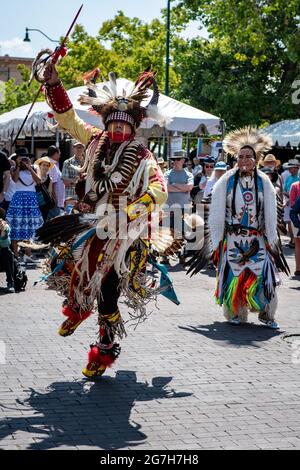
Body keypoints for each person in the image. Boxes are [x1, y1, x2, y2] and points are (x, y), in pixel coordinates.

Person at [36, 63, 178, 378]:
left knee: (108, 285)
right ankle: (77, 307)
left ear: (133, 128)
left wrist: (128, 212)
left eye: (123, 126)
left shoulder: (142, 156)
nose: (116, 131)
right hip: (91, 220)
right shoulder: (95, 141)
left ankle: (105, 346)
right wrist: (55, 84)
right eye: (113, 124)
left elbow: (160, 190)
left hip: (126, 229)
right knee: (70, 259)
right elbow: (67, 118)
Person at [188, 128, 289, 329]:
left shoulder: (264, 182)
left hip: (257, 238)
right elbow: (216, 212)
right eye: (241, 156)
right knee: (234, 274)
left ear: (256, 159)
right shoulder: (225, 180)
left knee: (263, 275)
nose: (244, 160)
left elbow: (270, 213)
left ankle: (267, 314)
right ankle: (235, 312)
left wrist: (271, 238)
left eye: (248, 156)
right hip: (233, 238)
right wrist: (216, 239)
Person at [6, 148, 43, 258]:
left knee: (29, 225)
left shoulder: (35, 168)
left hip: (31, 199)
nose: (23, 160)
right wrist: (18, 166)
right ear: (17, 159)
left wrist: (29, 168)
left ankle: (28, 251)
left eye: (25, 158)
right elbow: (15, 179)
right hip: (18, 199)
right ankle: (16, 253)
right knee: (16, 225)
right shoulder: (13, 168)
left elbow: (39, 181)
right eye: (21, 158)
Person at [164, 150, 194, 238]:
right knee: (169, 233)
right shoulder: (167, 173)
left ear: (183, 160)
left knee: (182, 233)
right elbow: (166, 187)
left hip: (184, 208)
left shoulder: (189, 174)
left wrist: (174, 184)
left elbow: (189, 187)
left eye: (178, 159)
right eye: (174, 159)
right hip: (169, 207)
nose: (176, 161)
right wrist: (182, 188)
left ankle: (181, 251)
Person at [283, 159, 300, 247]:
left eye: (291, 168)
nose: (289, 169)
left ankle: (294, 240)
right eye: (289, 168)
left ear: (296, 168)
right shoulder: (289, 177)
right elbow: (285, 189)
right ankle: (292, 240)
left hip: (297, 204)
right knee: (289, 222)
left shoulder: (298, 178)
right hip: (289, 202)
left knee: (294, 222)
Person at [46, 146, 65, 219]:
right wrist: (54, 199)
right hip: (53, 200)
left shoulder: (54, 164)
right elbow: (52, 183)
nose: (60, 156)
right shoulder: (50, 164)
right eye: (59, 153)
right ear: (56, 153)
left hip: (56, 199)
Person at [35, 156, 54, 222]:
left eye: (47, 165)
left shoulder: (50, 179)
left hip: (45, 205)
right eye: (43, 165)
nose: (45, 167)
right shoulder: (34, 177)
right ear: (39, 166)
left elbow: (50, 192)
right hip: (35, 203)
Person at [0, 208, 15, 293]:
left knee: (7, 253)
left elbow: (5, 244)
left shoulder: (5, 227)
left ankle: (11, 283)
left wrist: (3, 233)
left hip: (3, 255)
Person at [290, 180, 300, 276]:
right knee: (298, 244)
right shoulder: (295, 185)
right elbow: (293, 211)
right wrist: (298, 224)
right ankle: (298, 268)